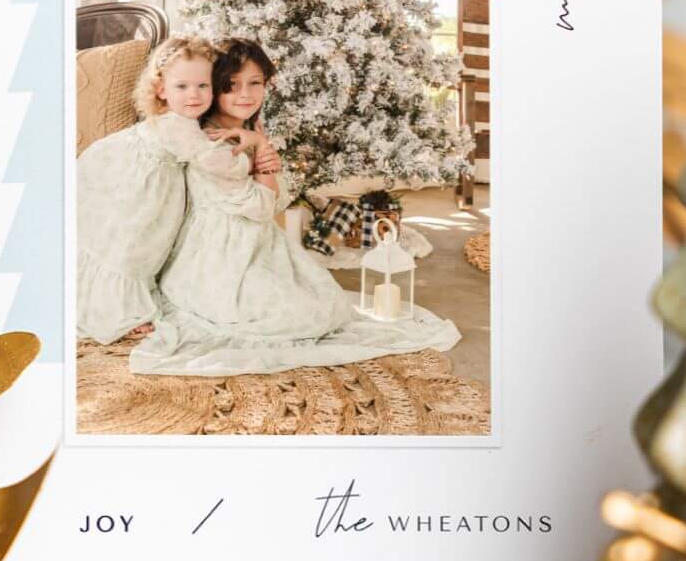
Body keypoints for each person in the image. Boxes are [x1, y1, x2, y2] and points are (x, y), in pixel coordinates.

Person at [130, 37, 461, 377]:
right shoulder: (213, 142)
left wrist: (260, 143)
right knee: (294, 316)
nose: (245, 95)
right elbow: (261, 207)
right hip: (219, 256)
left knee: (325, 305)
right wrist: (261, 154)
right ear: (214, 87)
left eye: (255, 83)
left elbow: (279, 197)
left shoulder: (245, 128)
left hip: (257, 245)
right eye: (231, 86)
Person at [72, 36, 250, 345]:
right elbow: (212, 160)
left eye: (203, 86)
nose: (194, 95)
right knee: (130, 247)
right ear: (161, 89)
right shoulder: (175, 124)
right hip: (134, 186)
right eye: (182, 87)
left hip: (147, 183)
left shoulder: (184, 122)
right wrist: (247, 159)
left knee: (140, 247)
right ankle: (118, 312)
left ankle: (122, 302)